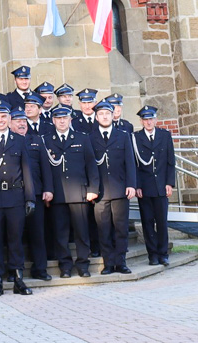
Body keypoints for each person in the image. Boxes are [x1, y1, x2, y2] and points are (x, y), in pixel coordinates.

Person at [0, 103, 34, 297]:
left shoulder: (18, 140)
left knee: (15, 240)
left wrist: (30, 198)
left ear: (9, 119)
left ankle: (18, 278)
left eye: (4, 117)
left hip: (15, 197)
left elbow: (26, 170)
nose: (1, 120)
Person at [42, 106, 99, 278]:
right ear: (53, 121)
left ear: (70, 120)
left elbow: (91, 166)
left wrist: (92, 189)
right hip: (57, 195)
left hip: (79, 193)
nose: (61, 121)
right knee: (61, 233)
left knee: (82, 232)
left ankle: (83, 265)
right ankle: (65, 266)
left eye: (64, 118)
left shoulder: (82, 138)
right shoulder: (46, 140)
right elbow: (45, 169)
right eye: (58, 118)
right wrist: (48, 190)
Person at [91, 101, 137, 275]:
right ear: (96, 117)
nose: (104, 116)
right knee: (103, 229)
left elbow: (130, 163)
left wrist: (131, 185)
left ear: (113, 116)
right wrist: (91, 189)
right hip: (100, 193)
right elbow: (89, 166)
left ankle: (121, 262)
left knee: (121, 228)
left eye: (107, 113)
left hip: (120, 190)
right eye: (101, 114)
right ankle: (108, 263)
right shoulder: (90, 137)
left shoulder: (123, 136)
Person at [11, 108, 54, 280]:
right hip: (14, 196)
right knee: (15, 235)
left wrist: (48, 189)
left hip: (36, 195)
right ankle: (16, 271)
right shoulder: (9, 141)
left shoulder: (36, 141)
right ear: (9, 123)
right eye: (17, 121)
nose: (22, 123)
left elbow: (46, 167)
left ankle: (40, 269)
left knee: (38, 234)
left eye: (24, 121)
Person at [134, 105, 175, 266]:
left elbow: (170, 161)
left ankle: (163, 253)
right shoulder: (135, 138)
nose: (149, 122)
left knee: (162, 222)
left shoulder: (165, 135)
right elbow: (135, 164)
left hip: (161, 186)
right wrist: (137, 185)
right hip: (144, 187)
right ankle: (152, 254)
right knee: (147, 222)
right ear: (141, 121)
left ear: (156, 120)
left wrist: (169, 183)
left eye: (151, 119)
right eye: (145, 119)